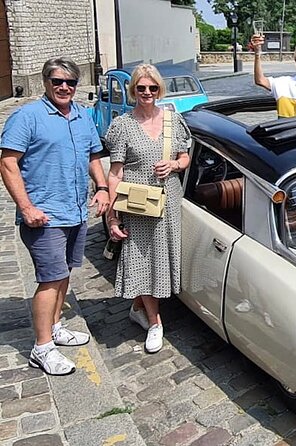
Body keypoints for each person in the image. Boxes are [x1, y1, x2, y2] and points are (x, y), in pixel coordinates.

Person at [0, 57, 109, 375]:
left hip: (76, 211)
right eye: (57, 81)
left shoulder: (82, 115)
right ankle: (42, 347)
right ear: (46, 82)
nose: (64, 87)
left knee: (64, 274)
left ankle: (56, 325)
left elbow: (93, 154)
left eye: (70, 82)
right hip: (44, 216)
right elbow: (8, 163)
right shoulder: (27, 117)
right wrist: (26, 207)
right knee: (50, 280)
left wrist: (101, 187)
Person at [105, 64, 191, 354]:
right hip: (138, 204)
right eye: (141, 88)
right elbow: (115, 173)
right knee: (142, 261)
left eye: (152, 88)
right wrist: (112, 216)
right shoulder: (123, 125)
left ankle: (139, 308)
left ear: (159, 90)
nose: (147, 93)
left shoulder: (171, 119)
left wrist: (176, 165)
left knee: (162, 259)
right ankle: (155, 323)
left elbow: (184, 157)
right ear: (133, 91)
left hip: (169, 200)